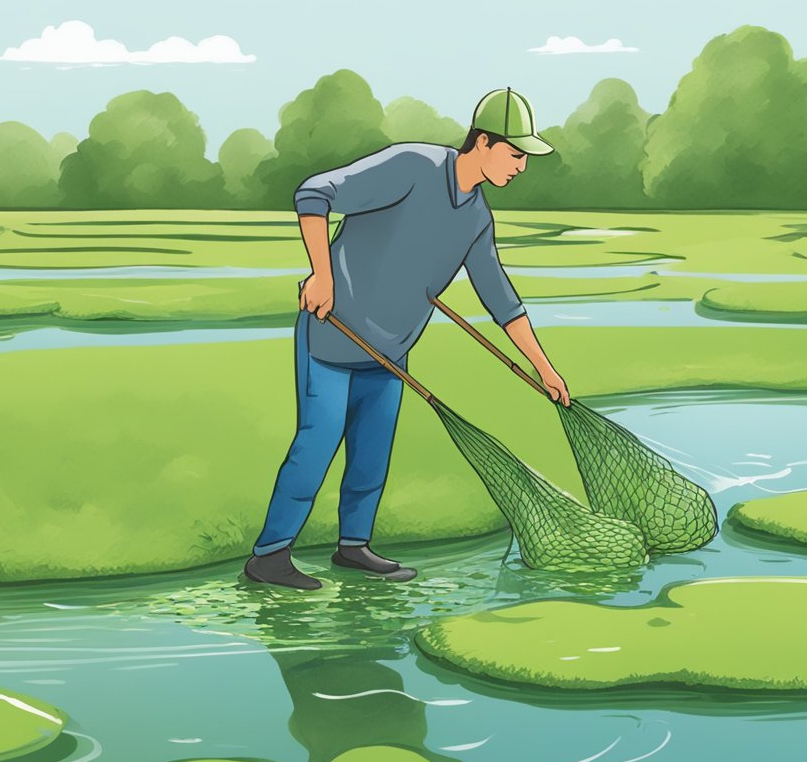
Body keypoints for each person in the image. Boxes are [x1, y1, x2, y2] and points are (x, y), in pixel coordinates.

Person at [243, 87, 571, 591]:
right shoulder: (412, 165)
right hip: (332, 333)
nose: (522, 166)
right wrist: (322, 274)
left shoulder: (477, 218)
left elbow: (501, 298)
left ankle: (354, 548)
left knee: (372, 453)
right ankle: (269, 556)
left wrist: (544, 369)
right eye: (516, 153)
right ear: (482, 142)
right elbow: (313, 194)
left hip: (390, 352)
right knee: (317, 443)